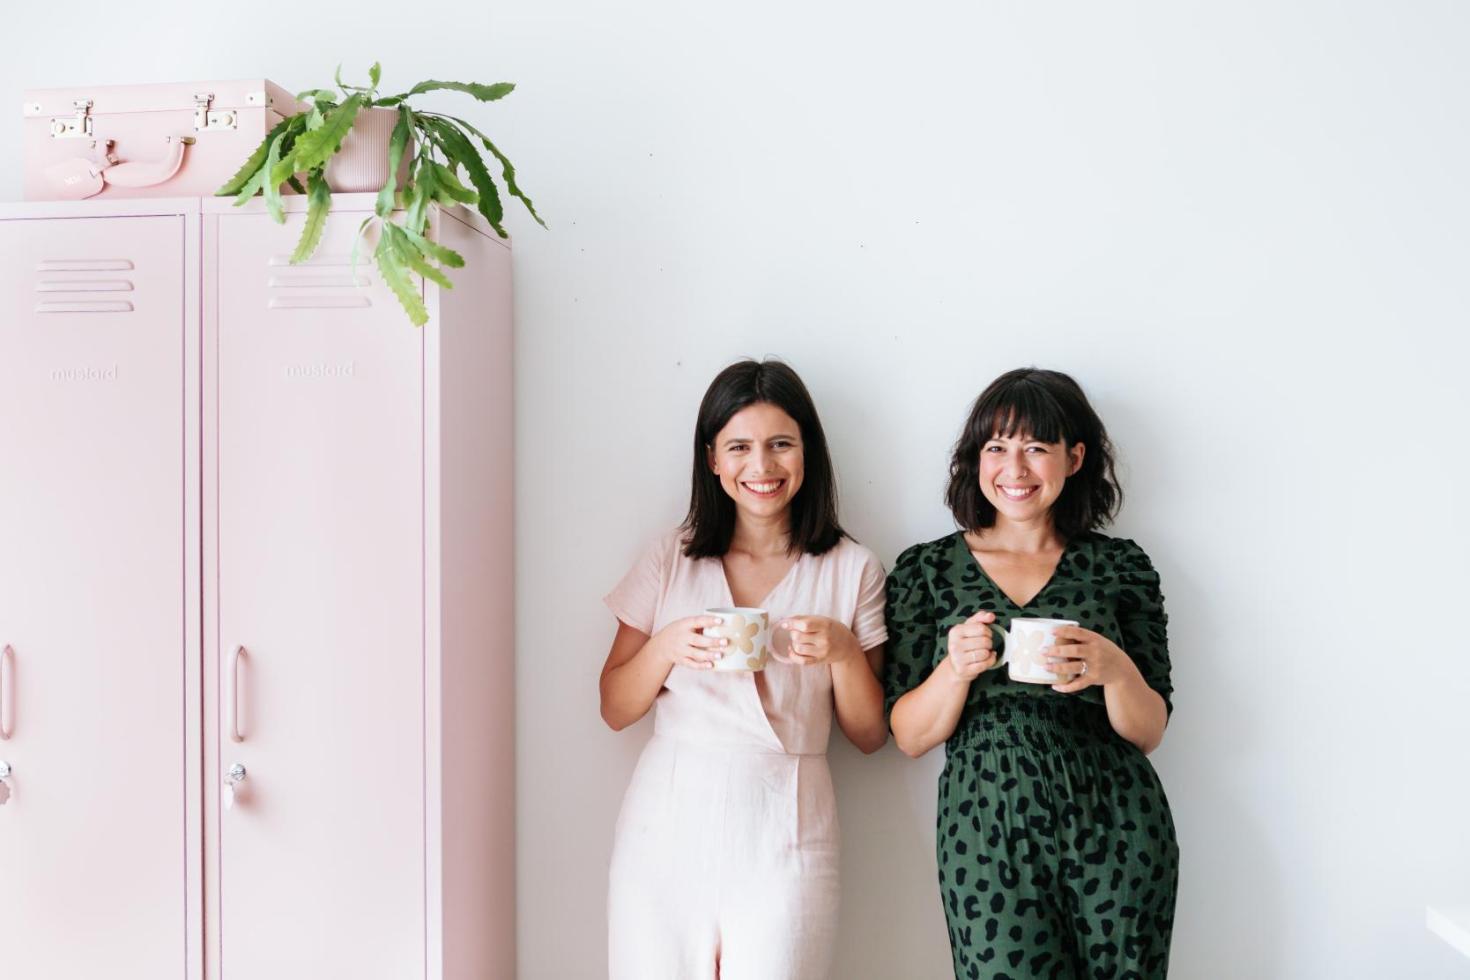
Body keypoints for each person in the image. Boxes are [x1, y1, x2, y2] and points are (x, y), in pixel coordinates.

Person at [885, 367, 1178, 979]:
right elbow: (909, 736)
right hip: (985, 826)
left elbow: (1149, 730)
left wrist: (1115, 670)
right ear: (976, 459)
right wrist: (955, 669)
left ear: (1075, 458)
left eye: (1036, 448)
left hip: (1115, 820)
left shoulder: (1120, 566)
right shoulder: (927, 570)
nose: (1014, 469)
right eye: (997, 448)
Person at [600, 358, 888, 979]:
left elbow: (869, 736)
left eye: (781, 444)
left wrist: (842, 652)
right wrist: (665, 647)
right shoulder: (671, 557)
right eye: (739, 447)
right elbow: (615, 708)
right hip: (666, 827)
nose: (761, 466)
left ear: (808, 452)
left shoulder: (852, 568)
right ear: (712, 459)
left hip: (788, 828)